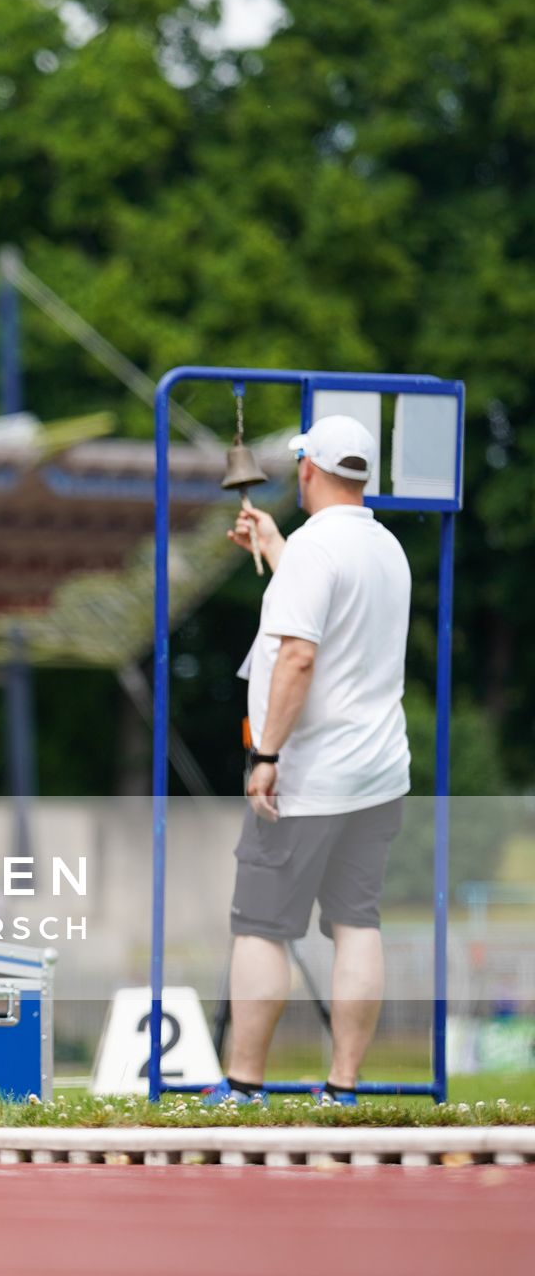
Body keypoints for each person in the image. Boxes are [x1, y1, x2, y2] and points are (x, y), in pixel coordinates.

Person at [207, 413, 411, 1108]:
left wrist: (266, 754)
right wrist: (274, 544)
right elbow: (334, 599)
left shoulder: (318, 552)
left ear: (308, 470)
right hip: (379, 774)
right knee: (357, 924)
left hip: (308, 776)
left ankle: (243, 1086)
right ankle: (342, 1087)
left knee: (261, 925)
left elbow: (299, 655)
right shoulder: (386, 548)